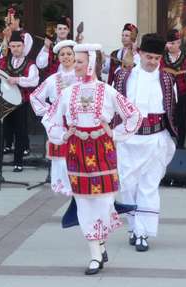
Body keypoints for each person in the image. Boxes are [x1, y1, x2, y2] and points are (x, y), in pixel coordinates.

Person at [42, 43, 141, 275]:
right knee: (84, 202)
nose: (74, 66)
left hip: (102, 148)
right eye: (74, 61)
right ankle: (95, 254)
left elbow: (134, 114)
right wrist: (62, 134)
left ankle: (100, 242)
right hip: (76, 150)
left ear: (91, 64)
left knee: (105, 202)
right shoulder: (67, 93)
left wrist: (115, 134)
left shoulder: (107, 91)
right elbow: (49, 118)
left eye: (79, 62)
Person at [113, 33, 178, 252]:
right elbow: (113, 107)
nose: (152, 62)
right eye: (148, 57)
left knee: (149, 187)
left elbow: (171, 110)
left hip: (155, 139)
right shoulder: (122, 77)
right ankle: (133, 227)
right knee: (129, 186)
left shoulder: (168, 79)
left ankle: (143, 233)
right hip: (129, 141)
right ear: (140, 53)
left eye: (156, 58)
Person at [30, 40, 78, 194]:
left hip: (80, 125)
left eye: (69, 54)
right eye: (62, 54)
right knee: (62, 162)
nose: (66, 57)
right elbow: (35, 97)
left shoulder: (82, 77)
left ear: (75, 56)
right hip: (60, 127)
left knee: (81, 160)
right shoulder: (53, 79)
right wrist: (51, 112)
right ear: (58, 58)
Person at [0, 31, 39, 173]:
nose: (15, 49)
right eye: (13, 46)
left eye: (18, 46)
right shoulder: (4, 61)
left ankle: (18, 162)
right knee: (0, 131)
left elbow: (34, 80)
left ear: (23, 46)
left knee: (20, 132)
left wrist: (17, 80)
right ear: (9, 47)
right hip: (4, 101)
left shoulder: (30, 64)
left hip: (21, 102)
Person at [0, 6, 34, 156]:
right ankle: (8, 144)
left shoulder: (25, 36)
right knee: (7, 118)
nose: (8, 22)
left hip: (19, 83)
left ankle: (23, 146)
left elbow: (22, 53)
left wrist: (9, 39)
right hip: (7, 84)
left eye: (10, 20)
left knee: (21, 122)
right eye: (7, 20)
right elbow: (0, 56)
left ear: (18, 20)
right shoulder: (8, 36)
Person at [160, 29, 186, 149]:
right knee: (164, 118)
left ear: (179, 43)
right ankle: (165, 144)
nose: (171, 46)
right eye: (169, 43)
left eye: (174, 43)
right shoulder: (161, 58)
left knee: (181, 119)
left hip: (181, 94)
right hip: (165, 94)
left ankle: (180, 145)